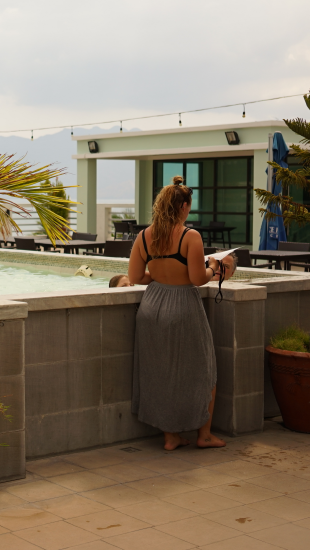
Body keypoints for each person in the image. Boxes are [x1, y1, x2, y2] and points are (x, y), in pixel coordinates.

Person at [128, 175, 225, 451]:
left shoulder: (144, 236)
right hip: (183, 306)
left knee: (160, 372)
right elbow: (197, 278)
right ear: (183, 206)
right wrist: (214, 267)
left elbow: (135, 277)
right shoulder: (190, 236)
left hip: (152, 306)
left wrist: (161, 274)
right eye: (189, 206)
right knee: (205, 369)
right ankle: (204, 435)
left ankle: (170, 436)